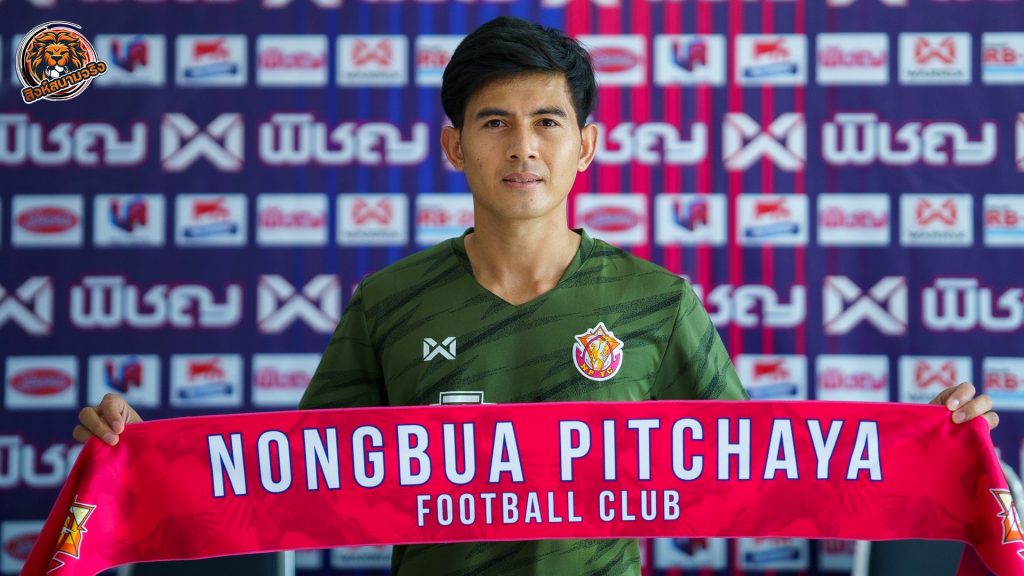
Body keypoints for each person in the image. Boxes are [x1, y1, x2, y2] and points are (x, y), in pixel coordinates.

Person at [75, 15, 1000, 576]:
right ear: (454, 145)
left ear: (584, 146)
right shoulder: (389, 303)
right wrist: (141, 457)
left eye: (547, 121)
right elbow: (290, 479)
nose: (522, 146)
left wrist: (926, 444)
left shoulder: (657, 301)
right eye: (495, 122)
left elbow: (755, 469)